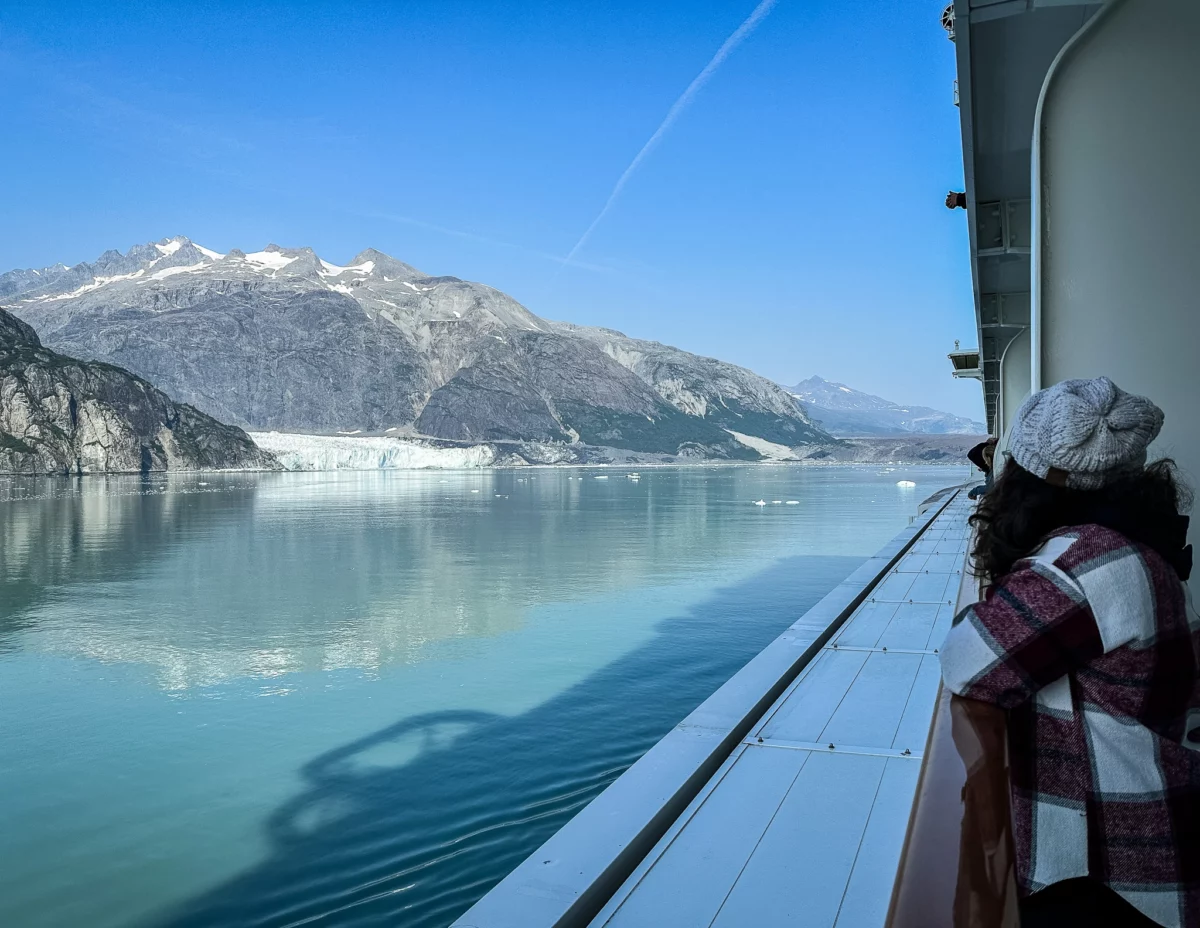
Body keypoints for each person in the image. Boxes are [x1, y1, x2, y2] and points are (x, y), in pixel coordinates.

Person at [939, 376, 1200, 928]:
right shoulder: (1137, 544)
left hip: (1117, 865)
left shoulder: (1085, 562)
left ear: (1029, 478)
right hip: (1154, 829)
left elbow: (968, 660)